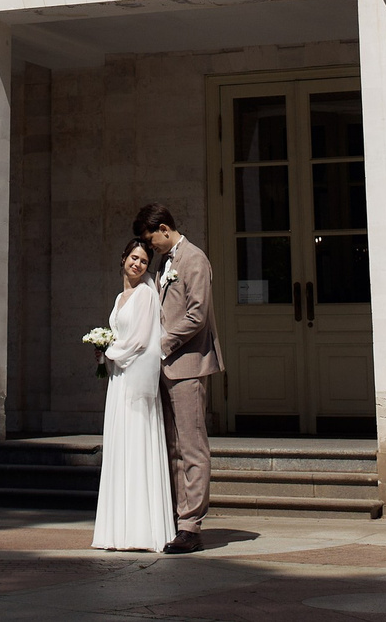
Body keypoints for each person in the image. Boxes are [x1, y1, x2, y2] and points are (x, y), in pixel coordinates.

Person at [136, 201, 221, 554]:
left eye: (150, 239)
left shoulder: (194, 259)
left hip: (188, 365)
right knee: (171, 447)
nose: (149, 246)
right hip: (164, 367)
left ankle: (191, 526)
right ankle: (177, 516)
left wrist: (161, 344)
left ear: (164, 229)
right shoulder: (163, 263)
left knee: (192, 446)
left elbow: (197, 315)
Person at [91, 238, 173, 552]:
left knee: (137, 444)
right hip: (118, 378)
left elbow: (139, 341)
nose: (137, 264)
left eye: (143, 261)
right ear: (123, 258)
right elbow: (120, 335)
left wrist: (109, 351)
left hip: (134, 378)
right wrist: (102, 353)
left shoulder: (146, 296)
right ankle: (117, 531)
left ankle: (142, 531)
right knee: (119, 446)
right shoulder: (119, 297)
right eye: (133, 258)